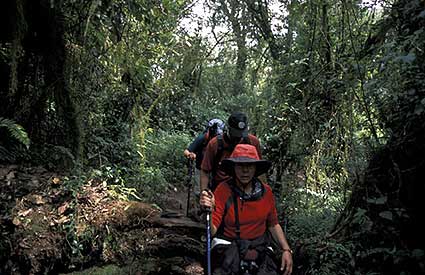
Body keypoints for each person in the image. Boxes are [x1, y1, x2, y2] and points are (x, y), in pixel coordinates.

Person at [200, 144, 293, 275]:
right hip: (229, 245)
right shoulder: (223, 190)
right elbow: (212, 230)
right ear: (233, 168)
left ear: (255, 168)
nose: (245, 171)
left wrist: (286, 250)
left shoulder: (266, 192)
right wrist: (208, 209)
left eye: (250, 165)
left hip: (259, 246)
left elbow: (273, 224)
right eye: (240, 166)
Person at [200, 112, 261, 192]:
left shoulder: (252, 142)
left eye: (241, 135)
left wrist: (262, 193)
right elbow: (205, 170)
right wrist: (204, 192)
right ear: (228, 129)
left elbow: (259, 169)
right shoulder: (215, 144)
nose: (238, 138)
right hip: (221, 190)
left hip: (246, 189)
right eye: (235, 135)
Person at [184, 118, 226, 193]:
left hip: (214, 171)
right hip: (200, 169)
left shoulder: (220, 141)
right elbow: (187, 151)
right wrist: (191, 154)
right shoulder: (202, 139)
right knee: (199, 192)